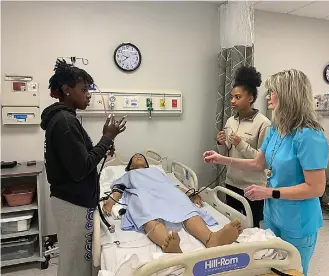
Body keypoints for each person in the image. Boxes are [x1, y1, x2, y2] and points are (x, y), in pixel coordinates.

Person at [203, 69, 329, 275]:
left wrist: (270, 192)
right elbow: (257, 164)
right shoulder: (276, 130)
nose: (268, 96)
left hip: (298, 219)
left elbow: (316, 188)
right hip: (273, 214)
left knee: (292, 271)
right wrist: (221, 158)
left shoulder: (309, 136)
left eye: (273, 91)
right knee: (270, 268)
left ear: (289, 95)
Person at [41, 59, 127, 276]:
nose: (89, 95)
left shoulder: (66, 119)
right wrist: (107, 137)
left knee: (77, 262)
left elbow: (83, 159)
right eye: (84, 90)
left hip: (74, 200)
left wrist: (104, 145)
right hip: (72, 203)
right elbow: (81, 169)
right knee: (74, 265)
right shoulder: (65, 122)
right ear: (67, 90)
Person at [103, 153, 243, 253]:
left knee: (186, 208)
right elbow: (118, 189)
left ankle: (211, 238)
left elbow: (173, 186)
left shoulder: (156, 171)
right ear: (130, 166)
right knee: (145, 211)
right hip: (143, 194)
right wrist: (110, 202)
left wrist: (190, 194)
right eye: (135, 157)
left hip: (167, 192)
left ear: (147, 163)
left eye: (141, 156)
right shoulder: (129, 175)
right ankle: (168, 244)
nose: (138, 156)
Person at [216, 66, 271, 228]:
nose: (232, 101)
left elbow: (263, 162)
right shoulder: (230, 121)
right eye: (232, 97)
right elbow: (225, 154)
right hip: (232, 182)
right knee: (234, 226)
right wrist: (221, 144)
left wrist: (241, 144)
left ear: (251, 98)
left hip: (252, 186)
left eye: (237, 97)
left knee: (252, 228)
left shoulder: (264, 124)